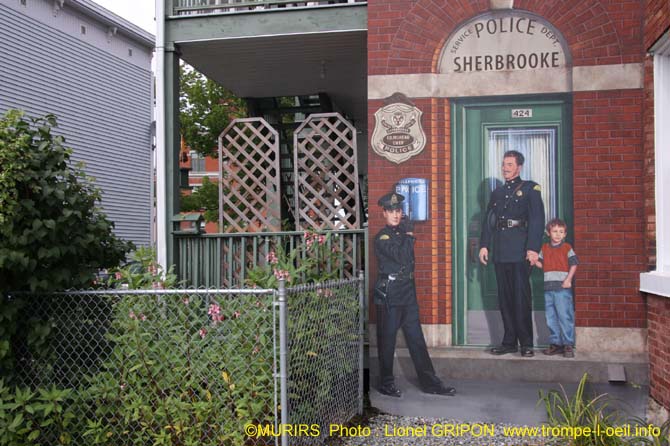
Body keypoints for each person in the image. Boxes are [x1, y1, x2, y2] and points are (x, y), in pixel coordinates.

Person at [374, 192, 456, 397]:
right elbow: (402, 257)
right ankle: (386, 383)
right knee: (387, 340)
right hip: (390, 293)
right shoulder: (382, 237)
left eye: (398, 211)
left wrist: (406, 235)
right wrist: (409, 236)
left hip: (408, 292)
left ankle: (430, 383)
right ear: (383, 213)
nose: (395, 214)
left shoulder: (402, 235)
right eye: (391, 211)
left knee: (416, 339)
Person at [478, 150, 545, 357]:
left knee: (521, 297)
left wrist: (533, 248)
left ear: (519, 167)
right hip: (500, 251)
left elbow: (537, 220)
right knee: (505, 298)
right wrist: (484, 245)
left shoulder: (530, 189)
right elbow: (489, 220)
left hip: (520, 251)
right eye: (503, 164)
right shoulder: (497, 193)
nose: (505, 168)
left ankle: (526, 343)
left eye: (509, 164)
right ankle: (508, 342)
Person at [535, 218, 579, 358]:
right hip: (548, 288)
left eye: (561, 231)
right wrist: (535, 260)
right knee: (551, 317)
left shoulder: (567, 248)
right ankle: (556, 343)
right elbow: (543, 265)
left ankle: (568, 344)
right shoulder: (544, 248)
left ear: (565, 234)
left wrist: (568, 279)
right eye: (555, 231)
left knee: (565, 316)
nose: (558, 234)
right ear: (548, 233)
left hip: (562, 288)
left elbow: (574, 264)